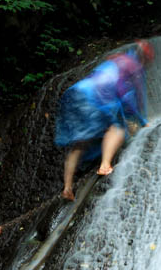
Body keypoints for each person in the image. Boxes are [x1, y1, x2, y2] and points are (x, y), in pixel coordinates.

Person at [55, 40, 155, 200]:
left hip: (76, 92)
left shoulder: (115, 60)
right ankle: (105, 165)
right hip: (97, 94)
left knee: (80, 143)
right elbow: (125, 95)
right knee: (116, 128)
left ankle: (67, 188)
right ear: (144, 58)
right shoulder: (133, 65)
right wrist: (142, 120)